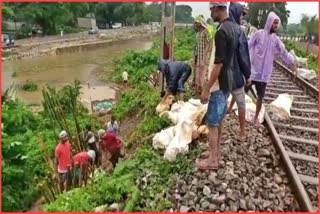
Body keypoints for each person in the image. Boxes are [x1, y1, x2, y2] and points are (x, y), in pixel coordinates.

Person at [198, 2, 238, 170]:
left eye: (211, 9)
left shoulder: (221, 32)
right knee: (219, 119)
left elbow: (218, 64)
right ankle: (216, 152)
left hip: (218, 83)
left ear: (218, 8)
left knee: (212, 123)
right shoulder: (233, 27)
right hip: (228, 81)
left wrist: (206, 88)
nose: (211, 13)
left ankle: (213, 160)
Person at [244, 11, 297, 127]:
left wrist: (292, 62)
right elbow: (248, 45)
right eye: (275, 23)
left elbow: (284, 52)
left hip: (264, 74)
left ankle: (255, 118)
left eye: (277, 24)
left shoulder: (275, 40)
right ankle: (235, 109)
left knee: (260, 97)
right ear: (269, 22)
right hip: (253, 71)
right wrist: (243, 61)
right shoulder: (258, 34)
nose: (276, 26)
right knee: (243, 90)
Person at [226, 2, 251, 142]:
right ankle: (242, 132)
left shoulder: (221, 27)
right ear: (237, 13)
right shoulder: (239, 31)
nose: (242, 17)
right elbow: (243, 56)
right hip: (235, 75)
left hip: (222, 75)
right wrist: (247, 75)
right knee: (241, 103)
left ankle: (218, 134)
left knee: (220, 104)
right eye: (242, 14)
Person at [194, 16, 211, 96]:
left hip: (203, 58)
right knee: (198, 76)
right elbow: (197, 47)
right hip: (198, 57)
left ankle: (204, 93)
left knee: (203, 76)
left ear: (200, 24)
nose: (196, 25)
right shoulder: (198, 33)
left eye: (197, 23)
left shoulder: (205, 31)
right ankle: (199, 93)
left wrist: (204, 58)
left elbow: (208, 45)